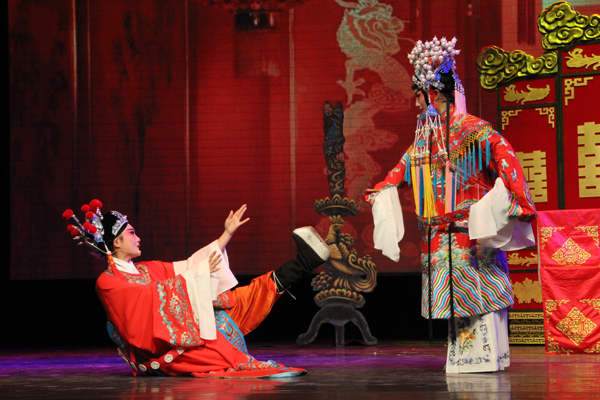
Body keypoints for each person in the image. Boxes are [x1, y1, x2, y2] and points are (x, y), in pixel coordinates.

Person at [366, 37, 536, 373]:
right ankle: (467, 359)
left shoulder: (474, 130)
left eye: (418, 94)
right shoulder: (424, 138)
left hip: (471, 230)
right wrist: (383, 189)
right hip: (439, 232)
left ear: (433, 94)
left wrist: (518, 199)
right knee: (457, 300)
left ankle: (485, 357)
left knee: (480, 294)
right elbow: (402, 168)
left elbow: (506, 157)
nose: (415, 102)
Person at [63, 201, 330, 378]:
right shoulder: (108, 282)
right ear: (117, 242)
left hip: (190, 332)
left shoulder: (147, 269)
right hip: (170, 351)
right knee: (218, 333)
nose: (138, 237)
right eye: (132, 233)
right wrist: (194, 277)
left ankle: (305, 262)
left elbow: (188, 266)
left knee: (240, 298)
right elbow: (145, 303)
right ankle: (238, 358)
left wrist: (226, 235)